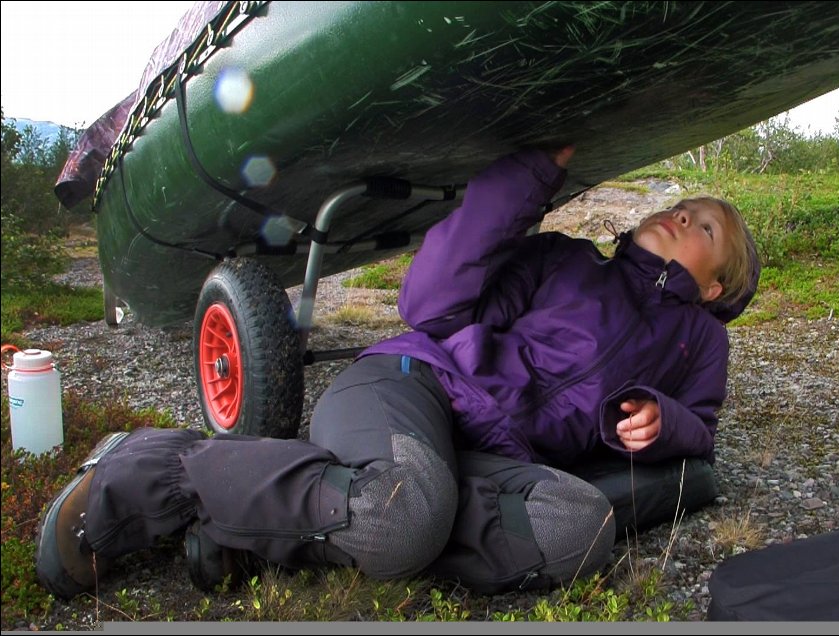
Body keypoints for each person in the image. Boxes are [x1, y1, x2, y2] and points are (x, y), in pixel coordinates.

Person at [35, 146, 760, 599]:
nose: (679, 213)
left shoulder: (702, 343)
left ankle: (253, 531)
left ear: (720, 285)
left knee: (579, 527)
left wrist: (666, 422)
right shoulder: (566, 263)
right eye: (679, 204)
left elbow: (703, 430)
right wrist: (529, 176)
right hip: (414, 383)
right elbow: (428, 302)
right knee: (407, 511)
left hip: (493, 455)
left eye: (704, 226)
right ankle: (150, 471)